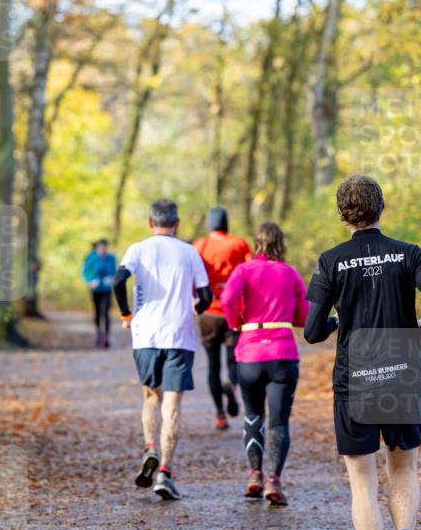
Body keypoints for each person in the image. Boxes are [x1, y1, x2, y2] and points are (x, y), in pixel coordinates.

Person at [304, 174, 421, 530]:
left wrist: (337, 322)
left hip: (355, 381)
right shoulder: (410, 253)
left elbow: (312, 331)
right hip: (402, 374)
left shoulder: (331, 261)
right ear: (381, 206)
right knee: (403, 467)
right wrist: (420, 334)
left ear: (342, 214)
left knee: (362, 482)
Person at [113, 199, 212, 501]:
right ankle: (165, 473)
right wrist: (198, 307)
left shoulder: (137, 249)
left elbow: (118, 280)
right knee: (173, 404)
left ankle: (150, 448)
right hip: (178, 336)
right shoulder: (189, 251)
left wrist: (126, 314)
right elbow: (206, 294)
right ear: (176, 223)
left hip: (145, 335)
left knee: (150, 396)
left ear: (150, 222)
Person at [221, 222, 309, 506]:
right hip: (283, 354)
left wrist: (236, 322)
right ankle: (274, 480)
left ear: (256, 243)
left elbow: (227, 298)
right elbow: (304, 316)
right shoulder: (290, 273)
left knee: (253, 416)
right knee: (279, 421)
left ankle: (255, 476)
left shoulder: (244, 270)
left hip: (250, 354)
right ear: (280, 243)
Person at [193, 207, 252, 430]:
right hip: (234, 310)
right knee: (233, 359)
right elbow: (250, 273)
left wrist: (194, 300)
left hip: (209, 312)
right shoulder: (239, 244)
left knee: (213, 365)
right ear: (226, 222)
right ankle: (232, 384)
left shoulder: (199, 245)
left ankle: (220, 414)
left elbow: (191, 276)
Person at [82, 239, 117, 348]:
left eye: (104, 248)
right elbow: (86, 272)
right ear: (97, 248)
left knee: (105, 313)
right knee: (97, 313)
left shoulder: (111, 258)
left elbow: (114, 271)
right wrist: (90, 281)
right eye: (100, 248)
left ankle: (106, 338)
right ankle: (98, 334)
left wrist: (111, 278)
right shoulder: (91, 258)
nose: (103, 250)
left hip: (107, 289)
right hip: (96, 289)